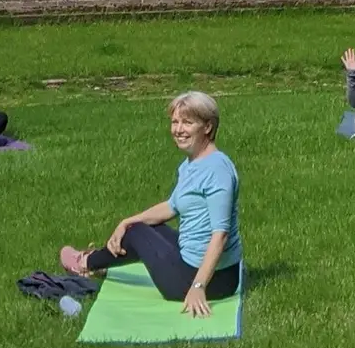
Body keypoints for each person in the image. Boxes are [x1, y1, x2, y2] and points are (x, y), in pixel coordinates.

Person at [59, 92, 242, 316]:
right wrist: (126, 221)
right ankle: (98, 261)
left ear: (207, 127)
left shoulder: (217, 170)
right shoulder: (193, 163)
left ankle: (86, 263)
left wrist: (198, 287)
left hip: (212, 281)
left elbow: (220, 234)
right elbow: (172, 207)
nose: (178, 129)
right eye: (175, 122)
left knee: (138, 233)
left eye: (187, 122)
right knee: (144, 228)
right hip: (199, 268)